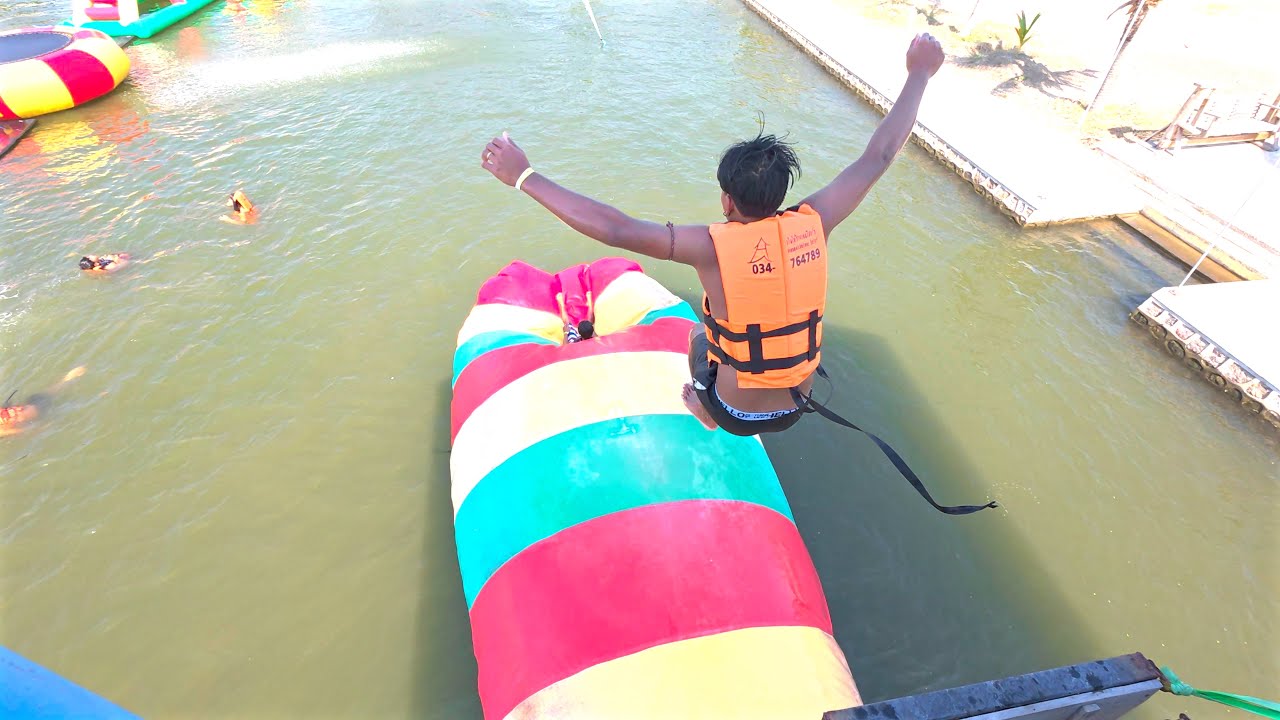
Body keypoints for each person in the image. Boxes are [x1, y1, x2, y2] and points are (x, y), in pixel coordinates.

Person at [482, 34, 944, 437]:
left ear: (727, 201)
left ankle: (704, 409)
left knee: (696, 339)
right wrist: (920, 73)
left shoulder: (710, 248)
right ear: (781, 193)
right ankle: (714, 404)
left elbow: (615, 228)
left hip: (733, 413)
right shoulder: (815, 220)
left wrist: (523, 176)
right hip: (798, 407)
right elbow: (879, 156)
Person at [0, 367, 86, 438]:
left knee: (55, 396)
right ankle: (68, 379)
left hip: (37, 408)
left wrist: (40, 428)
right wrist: (41, 428)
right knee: (53, 393)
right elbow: (18, 430)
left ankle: (69, 379)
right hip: (33, 406)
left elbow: (19, 430)